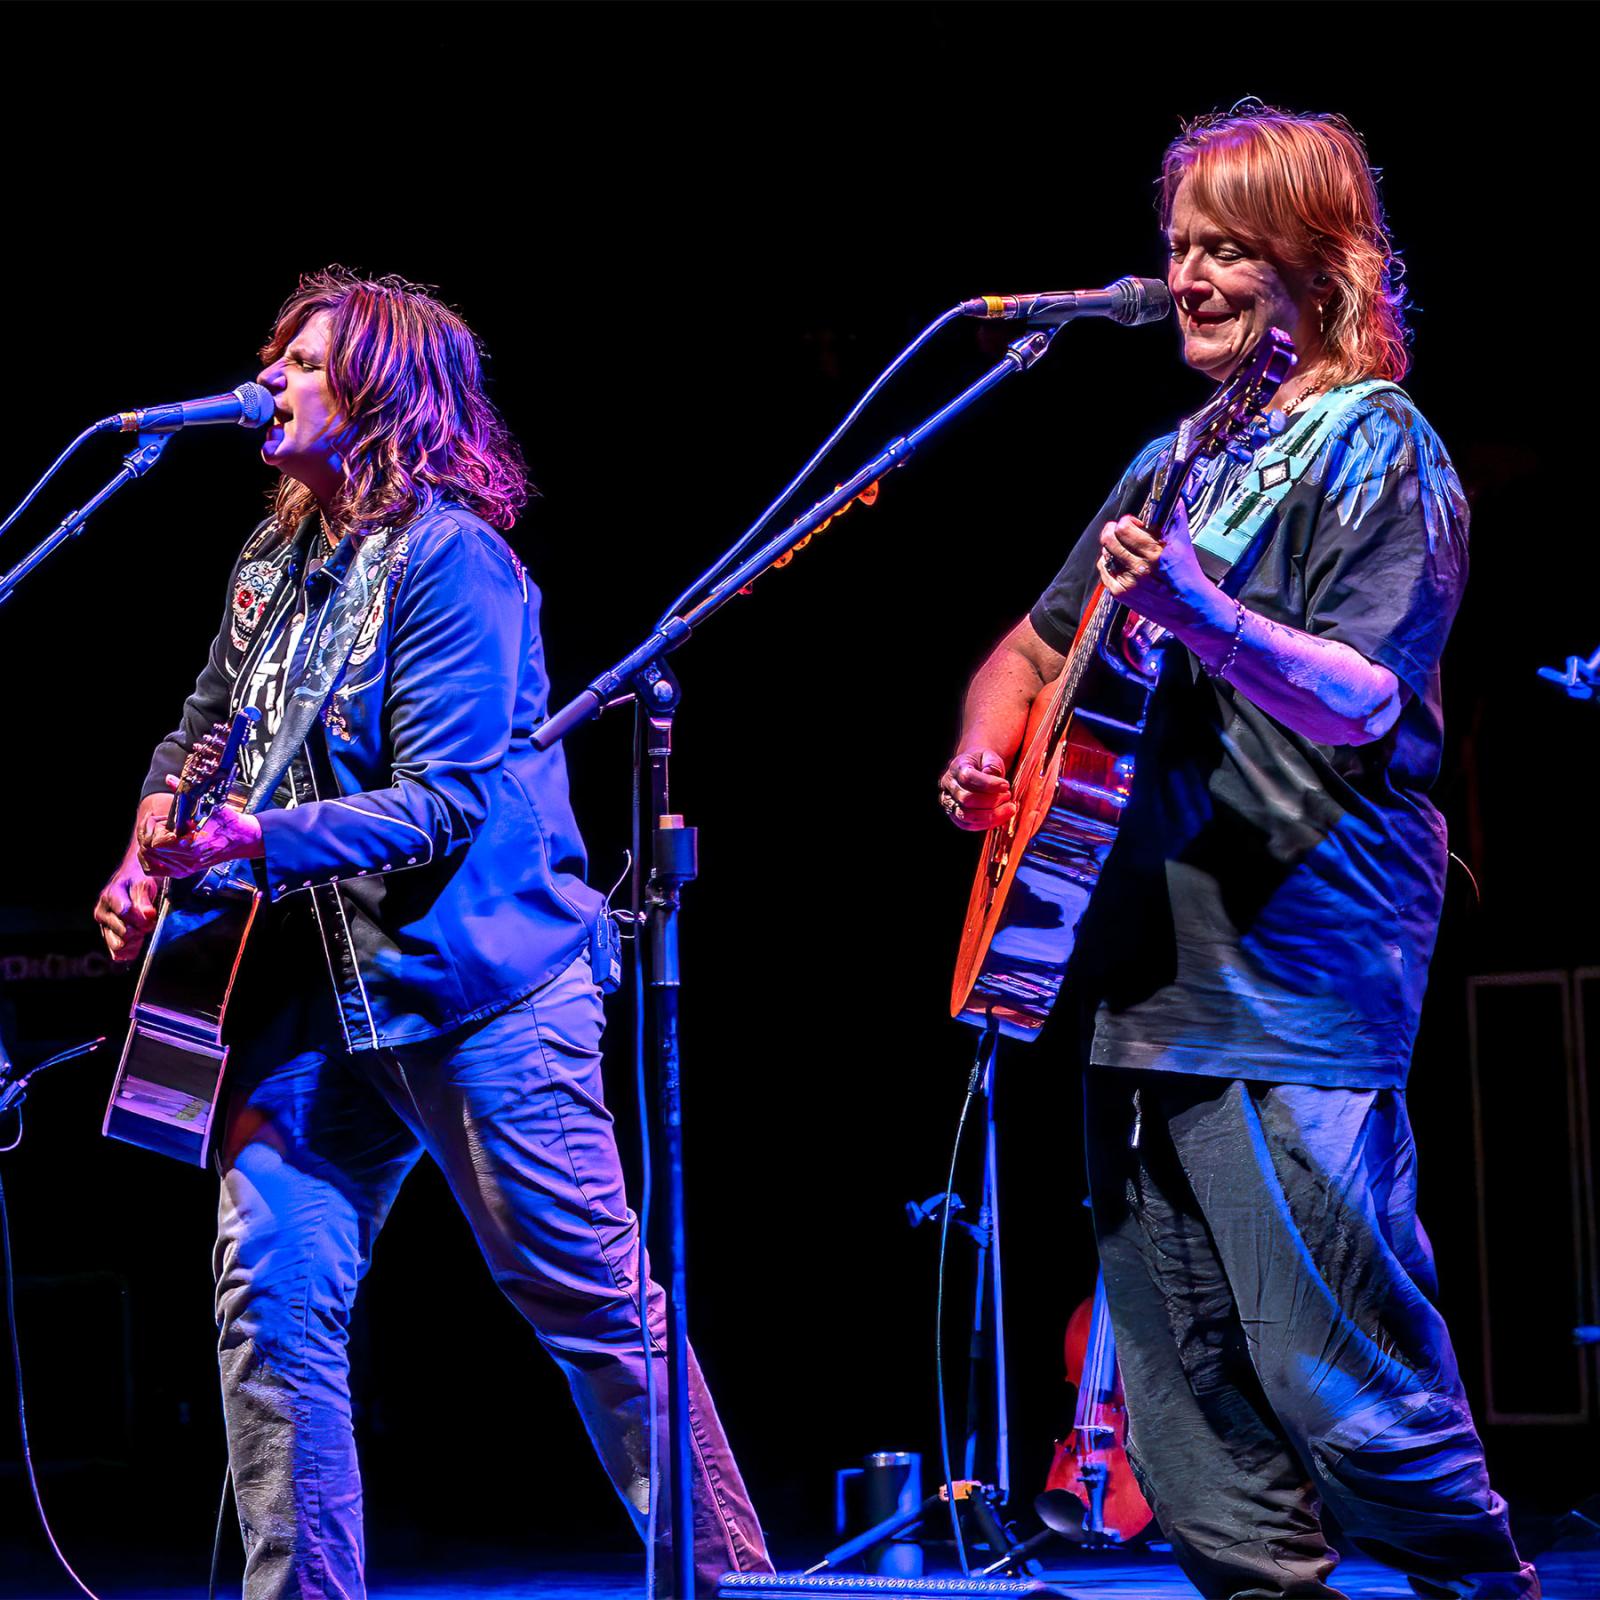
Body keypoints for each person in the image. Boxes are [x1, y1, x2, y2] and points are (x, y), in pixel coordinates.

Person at [93, 269, 770, 1600]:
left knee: (586, 1307)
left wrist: (256, 842)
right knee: (270, 1306)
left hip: (481, 990)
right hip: (317, 999)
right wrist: (145, 848)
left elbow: (449, 803)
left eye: (305, 361)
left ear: (386, 397)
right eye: (274, 354)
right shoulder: (272, 559)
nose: (272, 377)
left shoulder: (455, 562)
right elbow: (200, 729)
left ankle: (732, 1584)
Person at [940, 108, 1538, 1600]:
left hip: (1297, 968)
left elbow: (1362, 698)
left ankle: (1481, 1585)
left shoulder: (1375, 444)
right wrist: (988, 750)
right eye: (1178, 247)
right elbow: (1029, 644)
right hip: (1137, 965)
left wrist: (1206, 617)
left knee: (1338, 1354)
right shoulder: (1173, 460)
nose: (1188, 276)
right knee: (1180, 1389)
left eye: (1226, 249)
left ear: (1314, 267)